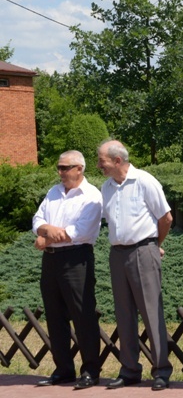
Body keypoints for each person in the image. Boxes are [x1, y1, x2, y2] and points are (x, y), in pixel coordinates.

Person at [97, 140, 173, 391]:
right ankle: (129, 370)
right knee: (124, 313)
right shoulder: (106, 187)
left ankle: (161, 370)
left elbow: (166, 217)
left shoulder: (145, 181)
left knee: (151, 313)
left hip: (143, 250)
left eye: (102, 161)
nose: (99, 165)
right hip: (117, 254)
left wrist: (154, 244)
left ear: (117, 161)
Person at [32, 150, 102, 390]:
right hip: (51, 261)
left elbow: (78, 231)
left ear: (79, 168)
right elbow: (37, 221)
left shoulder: (92, 195)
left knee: (83, 315)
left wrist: (46, 237)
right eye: (58, 168)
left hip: (77, 259)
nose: (60, 172)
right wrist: (46, 232)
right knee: (54, 315)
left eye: (65, 168)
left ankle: (91, 371)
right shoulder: (53, 192)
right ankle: (63, 370)